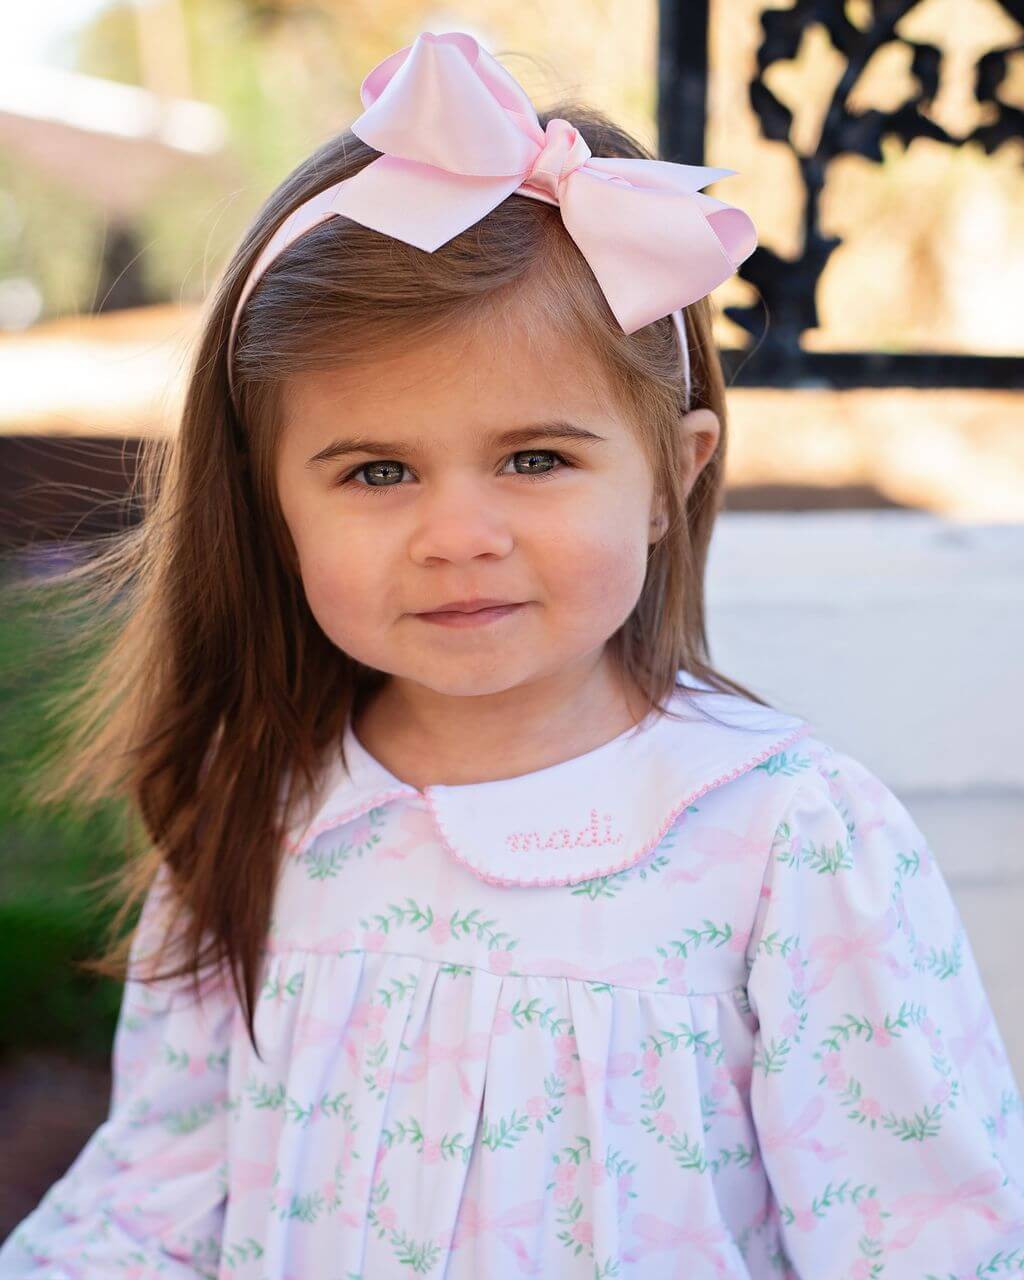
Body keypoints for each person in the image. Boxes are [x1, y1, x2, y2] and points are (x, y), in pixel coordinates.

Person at [2, 26, 1022, 1280]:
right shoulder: (261, 817)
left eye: (535, 458)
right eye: (376, 470)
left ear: (669, 475)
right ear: (271, 506)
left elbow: (920, 1237)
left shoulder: (789, 843)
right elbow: (151, 1203)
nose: (457, 537)